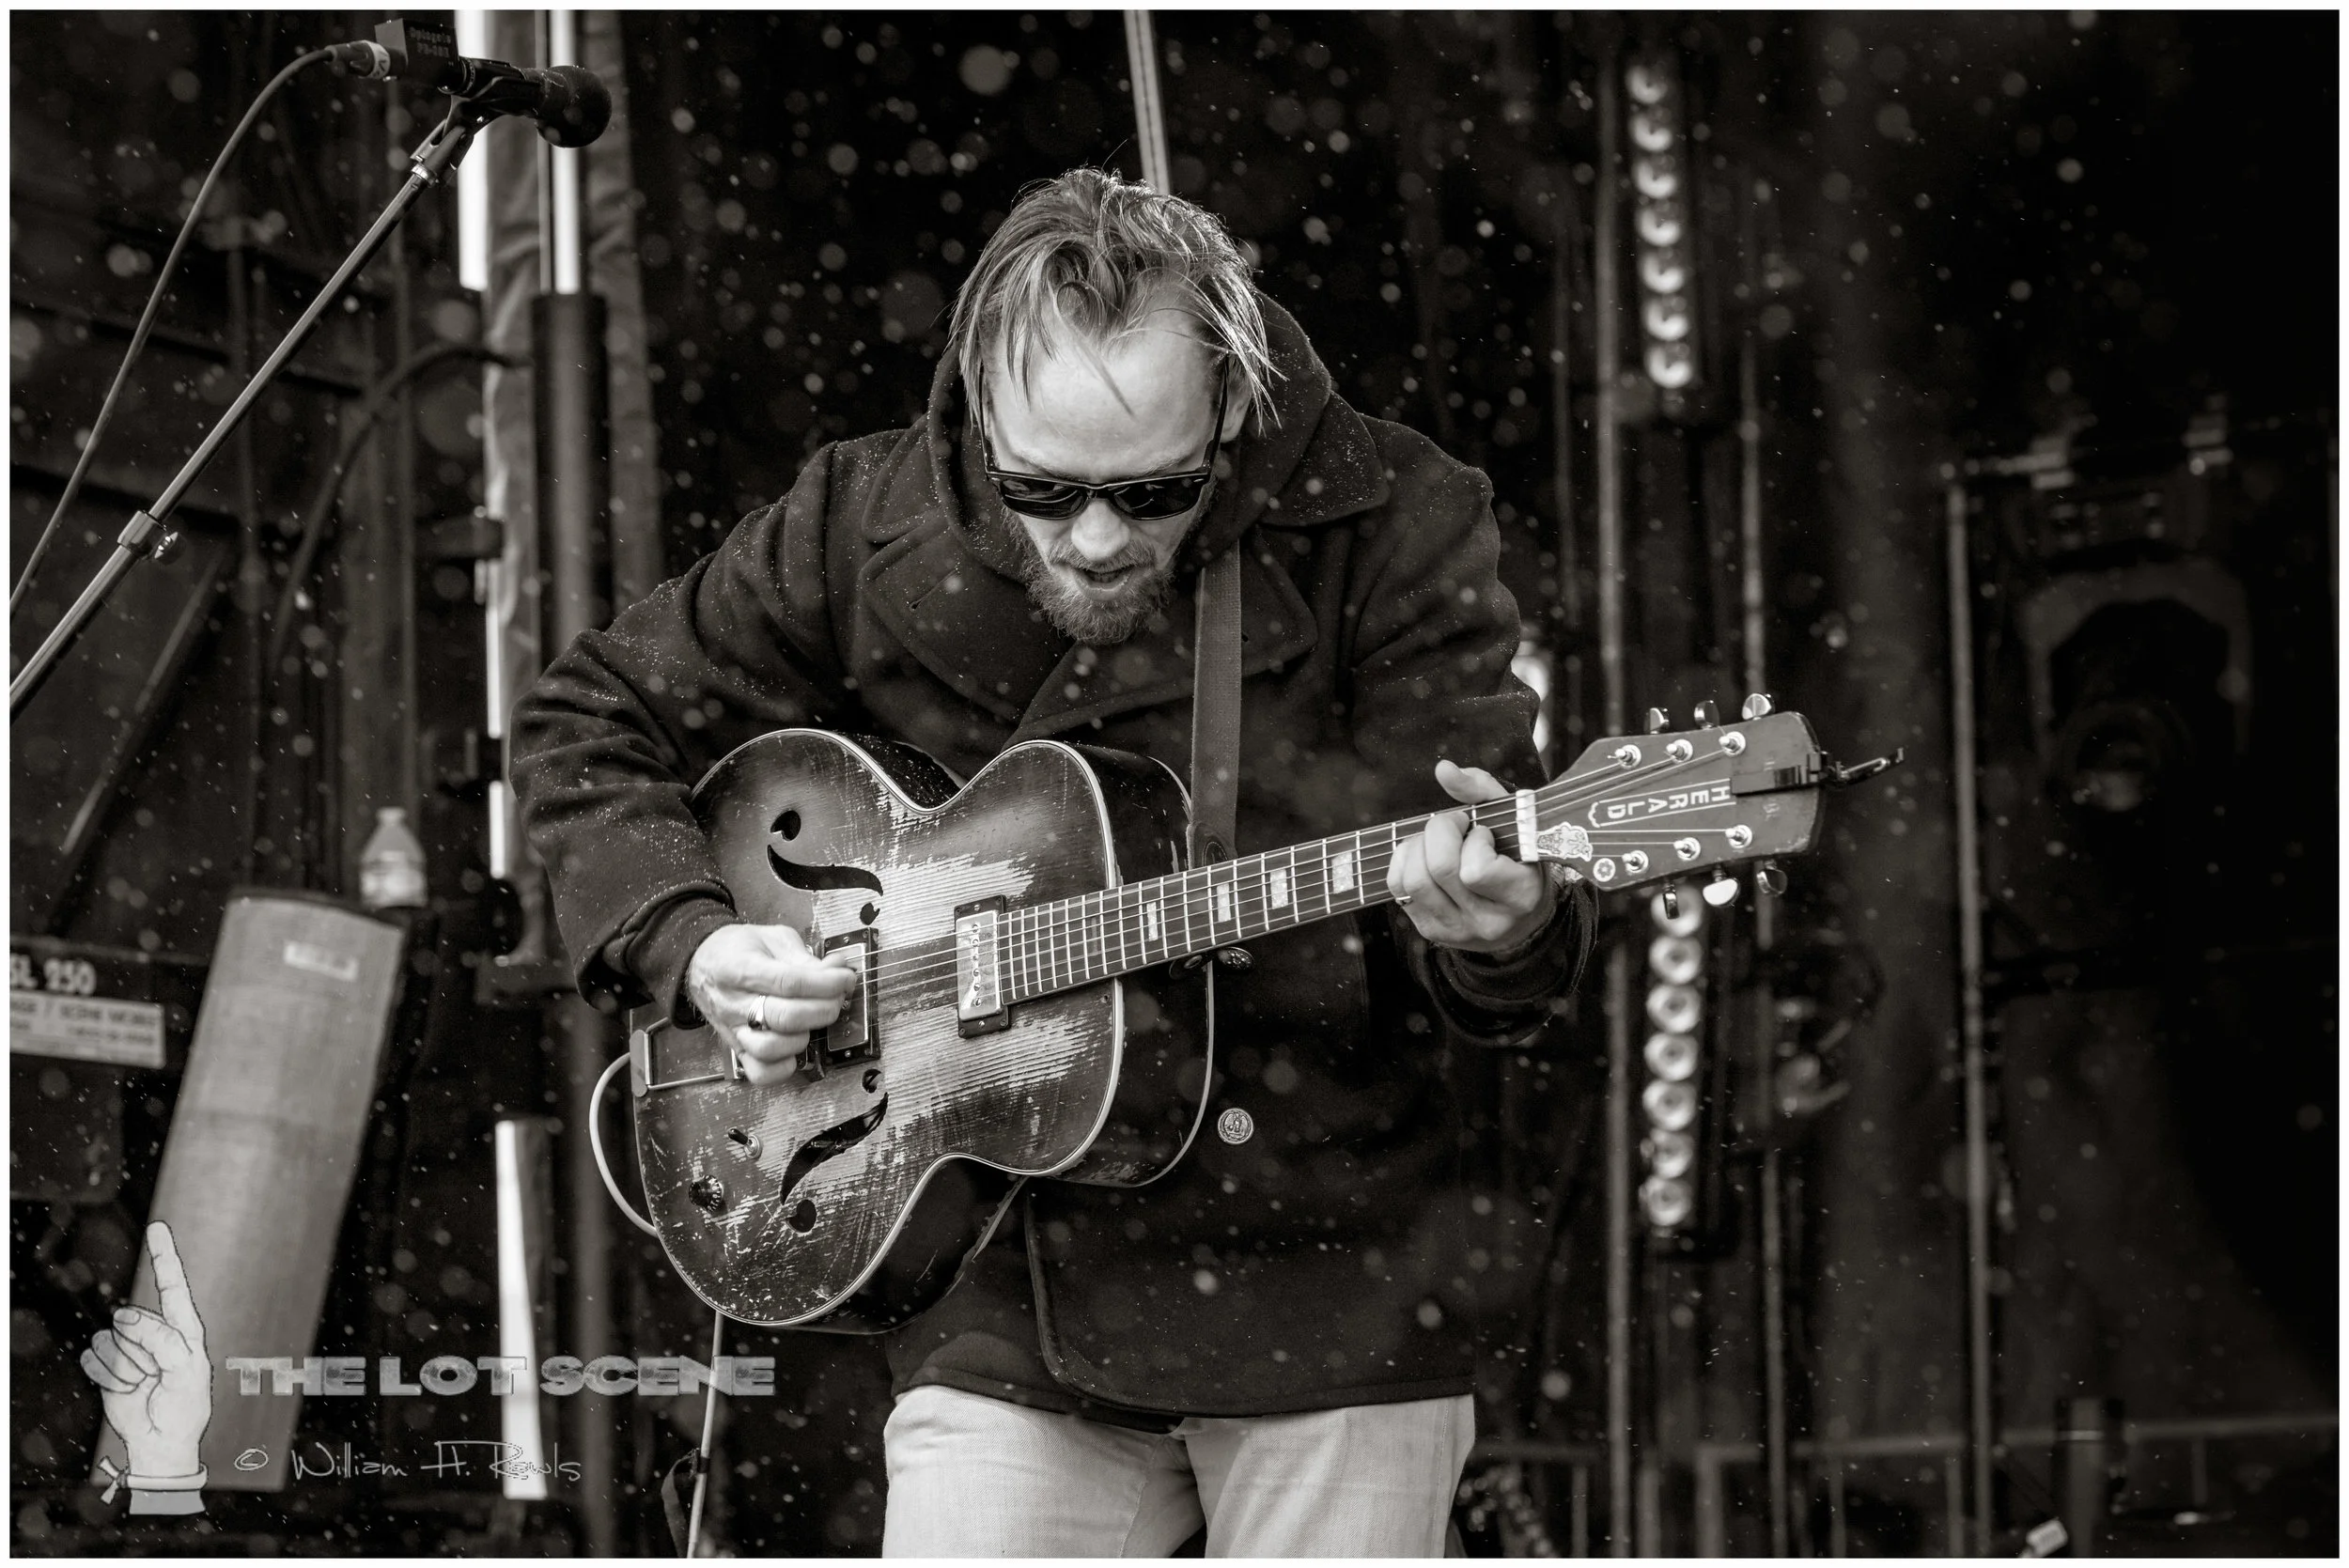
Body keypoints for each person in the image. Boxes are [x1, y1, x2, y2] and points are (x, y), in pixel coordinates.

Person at [511, 167, 1594, 1557]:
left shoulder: (1396, 523)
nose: (1095, 538)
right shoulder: (862, 514)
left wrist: (1500, 930)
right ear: (978, 409)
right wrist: (695, 941)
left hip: (1332, 1267)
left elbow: (1497, 937)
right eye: (1042, 489)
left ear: (1232, 405)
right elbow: (590, 719)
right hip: (1006, 1269)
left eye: (1154, 492)